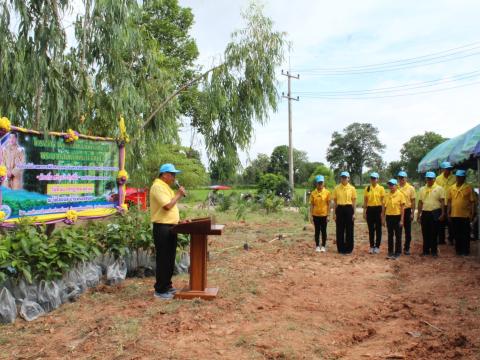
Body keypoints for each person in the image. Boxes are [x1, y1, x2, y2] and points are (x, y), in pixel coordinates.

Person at [150, 163, 186, 299]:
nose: (174, 177)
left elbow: (171, 206)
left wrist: (179, 220)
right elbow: (167, 206)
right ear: (164, 174)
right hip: (162, 227)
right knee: (163, 259)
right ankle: (160, 290)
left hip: (171, 226)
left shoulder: (166, 187)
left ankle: (167, 285)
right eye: (172, 174)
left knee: (170, 258)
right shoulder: (157, 187)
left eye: (174, 174)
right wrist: (179, 194)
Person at [417, 171, 445, 257]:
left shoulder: (439, 189)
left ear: (434, 179)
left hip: (435, 212)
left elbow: (442, 201)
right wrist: (418, 214)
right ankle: (425, 251)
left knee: (434, 232)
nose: (428, 180)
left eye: (430, 179)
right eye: (427, 178)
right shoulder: (422, 189)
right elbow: (420, 202)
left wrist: (443, 213)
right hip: (425, 213)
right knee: (425, 232)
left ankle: (434, 251)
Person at [447, 170, 475, 256]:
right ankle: (458, 250)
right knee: (456, 233)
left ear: (464, 178)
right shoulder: (451, 188)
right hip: (454, 214)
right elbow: (449, 201)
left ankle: (465, 250)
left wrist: (472, 213)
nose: (458, 178)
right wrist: (448, 212)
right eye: (457, 177)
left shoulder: (469, 188)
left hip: (465, 215)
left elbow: (472, 201)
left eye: (460, 177)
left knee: (465, 234)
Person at [333, 171, 357, 254]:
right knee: (340, 229)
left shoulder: (352, 188)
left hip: (349, 209)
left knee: (349, 229)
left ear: (348, 178)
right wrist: (334, 214)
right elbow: (335, 202)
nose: (344, 179)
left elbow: (354, 202)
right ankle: (341, 248)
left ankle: (349, 249)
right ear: (341, 178)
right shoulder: (336, 188)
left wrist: (354, 213)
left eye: (345, 177)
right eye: (342, 177)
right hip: (339, 209)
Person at [382, 179, 405, 259]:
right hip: (389, 217)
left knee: (398, 235)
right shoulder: (387, 195)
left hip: (397, 217)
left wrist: (402, 220)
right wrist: (383, 218)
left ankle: (398, 252)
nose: (390, 186)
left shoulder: (400, 195)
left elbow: (402, 208)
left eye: (392, 185)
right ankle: (390, 252)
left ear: (396, 185)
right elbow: (384, 207)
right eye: (389, 185)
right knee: (390, 235)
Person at [363, 172, 385, 254]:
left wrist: (382, 213)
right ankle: (371, 246)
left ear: (377, 179)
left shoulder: (381, 188)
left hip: (378, 209)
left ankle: (377, 246)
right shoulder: (367, 188)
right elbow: (365, 201)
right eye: (372, 178)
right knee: (371, 229)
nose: (373, 180)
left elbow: (383, 202)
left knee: (378, 229)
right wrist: (364, 212)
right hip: (370, 209)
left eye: (375, 178)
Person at [435, 161, 456, 245]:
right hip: (441, 203)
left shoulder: (454, 178)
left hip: (451, 203)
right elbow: (435, 189)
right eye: (447, 169)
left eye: (450, 168)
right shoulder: (438, 179)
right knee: (440, 222)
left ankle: (451, 239)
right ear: (443, 169)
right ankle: (441, 240)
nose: (449, 170)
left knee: (451, 222)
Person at [310, 175, 331, 253]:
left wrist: (328, 215)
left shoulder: (327, 192)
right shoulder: (313, 193)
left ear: (323, 183)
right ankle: (317, 246)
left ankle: (323, 246)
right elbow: (312, 205)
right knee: (317, 231)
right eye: (319, 183)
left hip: (324, 215)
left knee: (324, 231)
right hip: (315, 215)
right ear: (316, 183)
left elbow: (329, 204)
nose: (320, 184)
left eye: (321, 183)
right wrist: (311, 215)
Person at [397, 171, 416, 255]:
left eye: (403, 177)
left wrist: (412, 213)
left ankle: (407, 248)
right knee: (398, 231)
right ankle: (398, 248)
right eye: (400, 177)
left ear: (406, 178)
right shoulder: (396, 187)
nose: (401, 179)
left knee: (408, 231)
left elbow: (413, 201)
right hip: (397, 211)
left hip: (407, 210)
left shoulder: (411, 188)